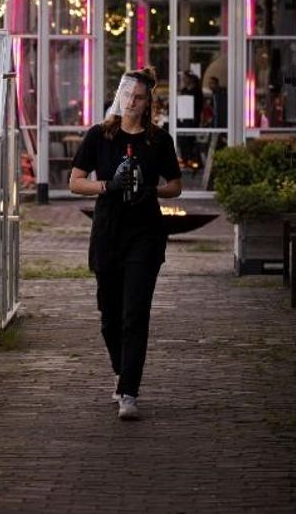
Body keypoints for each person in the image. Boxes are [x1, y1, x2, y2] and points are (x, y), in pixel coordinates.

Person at [68, 67, 182, 420]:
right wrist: (108, 186)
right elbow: (75, 182)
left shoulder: (158, 140)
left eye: (139, 98)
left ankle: (129, 392)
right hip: (108, 231)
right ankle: (121, 373)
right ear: (120, 96)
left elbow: (175, 185)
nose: (132, 103)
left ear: (149, 103)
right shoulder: (99, 136)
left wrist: (152, 190)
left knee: (135, 313)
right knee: (109, 314)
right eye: (128, 95)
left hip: (145, 233)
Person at [177, 71, 203, 169]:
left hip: (192, 120)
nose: (183, 80)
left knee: (190, 140)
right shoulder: (184, 90)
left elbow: (198, 106)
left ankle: (193, 160)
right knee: (182, 140)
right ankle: (185, 159)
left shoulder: (196, 91)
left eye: (185, 78)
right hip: (183, 119)